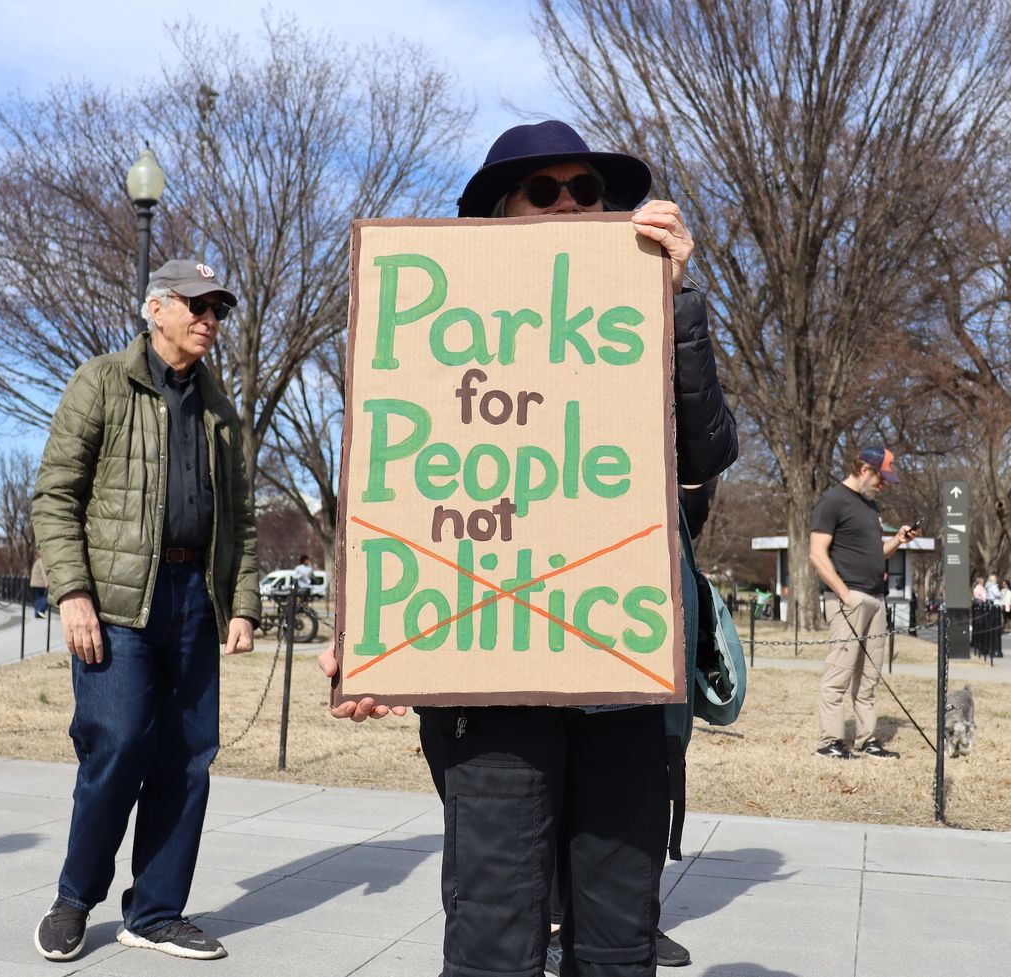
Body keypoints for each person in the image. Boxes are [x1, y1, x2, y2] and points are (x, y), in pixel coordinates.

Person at [321, 120, 738, 977]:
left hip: (622, 680)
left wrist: (678, 298)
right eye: (543, 191)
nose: (569, 205)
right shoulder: (439, 333)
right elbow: (400, 490)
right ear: (500, 211)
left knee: (620, 938)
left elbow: (706, 453)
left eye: (586, 191)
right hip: (493, 689)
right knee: (495, 932)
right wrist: (367, 641)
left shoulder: (644, 315)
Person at [30, 259, 260, 963]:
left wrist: (242, 603)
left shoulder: (222, 413)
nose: (209, 320)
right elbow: (55, 495)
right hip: (116, 599)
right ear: (154, 308)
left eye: (217, 309)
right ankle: (75, 898)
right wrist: (72, 593)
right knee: (120, 741)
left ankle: (156, 911)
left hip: (195, 598)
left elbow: (243, 521)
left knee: (189, 756)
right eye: (196, 306)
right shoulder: (101, 381)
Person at [809, 446, 919, 761]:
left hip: (875, 600)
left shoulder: (870, 508)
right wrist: (844, 595)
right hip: (849, 599)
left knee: (870, 675)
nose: (883, 485)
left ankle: (867, 740)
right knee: (840, 673)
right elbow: (817, 554)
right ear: (865, 469)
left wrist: (897, 540)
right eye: (881, 478)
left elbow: (874, 554)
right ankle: (830, 742)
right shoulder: (833, 501)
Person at [29, 551, 49, 618]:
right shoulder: (41, 561)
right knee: (45, 598)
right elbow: (44, 572)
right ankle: (40, 610)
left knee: (38, 598)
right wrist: (47, 582)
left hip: (35, 583)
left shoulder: (38, 560)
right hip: (40, 583)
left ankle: (38, 613)